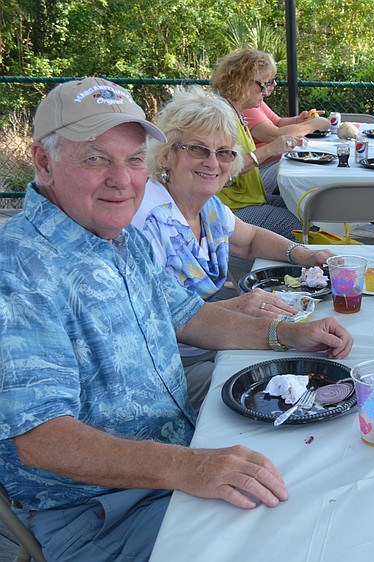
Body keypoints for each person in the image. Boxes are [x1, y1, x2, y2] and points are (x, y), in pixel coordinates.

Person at [0, 77, 353, 561]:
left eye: (132, 160)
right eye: (96, 158)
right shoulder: (19, 267)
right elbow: (42, 440)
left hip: (179, 443)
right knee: (296, 538)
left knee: (331, 480)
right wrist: (188, 467)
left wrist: (288, 335)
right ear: (44, 162)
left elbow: (190, 318)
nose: (121, 180)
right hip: (99, 511)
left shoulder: (119, 237)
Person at [132, 85, 336, 410]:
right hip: (165, 366)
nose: (213, 162)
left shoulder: (206, 205)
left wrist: (305, 255)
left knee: (309, 359)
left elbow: (250, 237)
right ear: (168, 153)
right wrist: (239, 307)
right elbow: (157, 322)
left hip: (212, 343)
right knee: (287, 390)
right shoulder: (148, 220)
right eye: (199, 149)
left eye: (225, 152)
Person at [210, 48, 304, 239]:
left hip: (247, 199)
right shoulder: (221, 117)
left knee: (304, 209)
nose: (268, 90)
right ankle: (285, 268)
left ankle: (276, 267)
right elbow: (224, 170)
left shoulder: (236, 111)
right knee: (301, 229)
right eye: (264, 84)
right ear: (241, 82)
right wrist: (271, 148)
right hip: (231, 207)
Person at [243, 78, 330, 195]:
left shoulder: (255, 101)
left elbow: (277, 122)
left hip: (266, 164)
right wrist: (313, 125)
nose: (274, 84)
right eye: (267, 81)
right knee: (310, 171)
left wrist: (299, 120)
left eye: (275, 79)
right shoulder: (246, 106)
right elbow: (273, 135)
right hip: (256, 172)